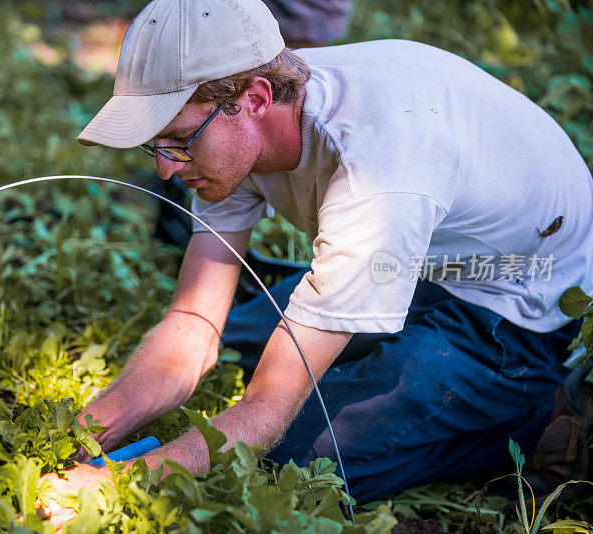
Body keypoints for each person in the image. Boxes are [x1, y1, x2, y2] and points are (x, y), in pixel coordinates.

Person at [37, 0, 593, 527]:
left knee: (292, 463)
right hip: (423, 259)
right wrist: (82, 434)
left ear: (254, 99)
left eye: (179, 141)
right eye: (155, 145)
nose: (165, 171)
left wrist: (121, 481)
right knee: (235, 335)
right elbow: (193, 328)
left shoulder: (375, 173)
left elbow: (265, 409)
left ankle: (533, 413)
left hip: (517, 310)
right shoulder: (236, 122)